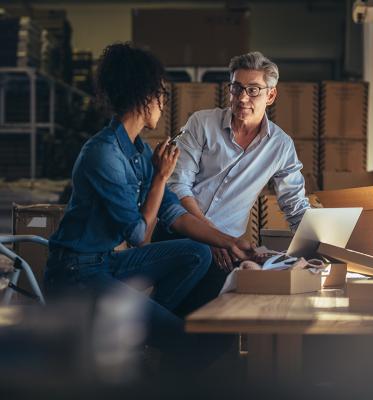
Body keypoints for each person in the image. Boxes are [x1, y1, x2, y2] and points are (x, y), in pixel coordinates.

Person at [44, 43, 255, 359]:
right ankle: (151, 331)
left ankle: (141, 330)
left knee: (197, 253)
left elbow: (174, 213)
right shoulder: (103, 154)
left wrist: (230, 243)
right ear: (145, 96)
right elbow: (139, 236)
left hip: (105, 262)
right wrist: (159, 177)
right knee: (183, 338)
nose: (163, 104)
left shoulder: (138, 150)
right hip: (75, 273)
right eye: (162, 95)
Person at [156, 51, 310, 312]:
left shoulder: (280, 146)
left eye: (253, 90)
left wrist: (318, 245)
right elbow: (177, 185)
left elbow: (295, 206)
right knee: (181, 315)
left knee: (223, 318)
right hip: (177, 232)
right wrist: (211, 236)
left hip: (228, 251)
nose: (242, 98)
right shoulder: (202, 123)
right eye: (236, 88)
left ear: (270, 96)